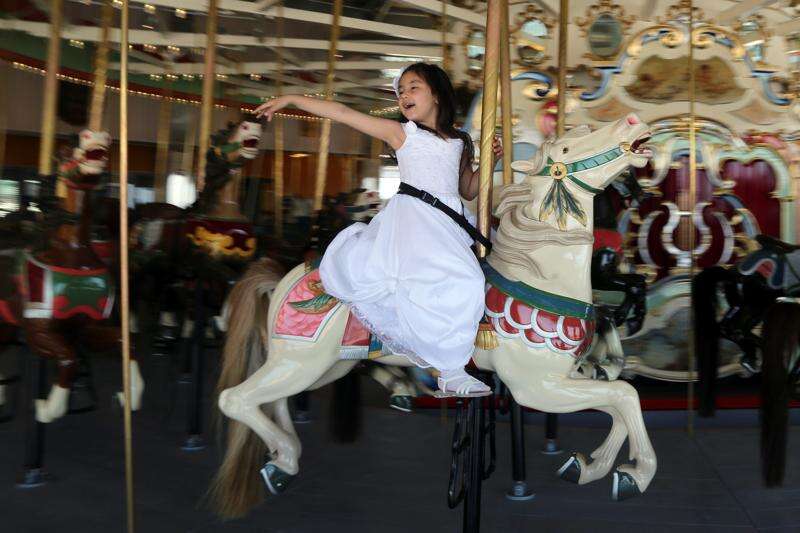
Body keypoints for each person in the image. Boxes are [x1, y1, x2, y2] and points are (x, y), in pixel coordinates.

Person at [256, 63, 502, 397]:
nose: (404, 95)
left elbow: (468, 189)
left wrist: (491, 163)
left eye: (413, 87)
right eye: (400, 91)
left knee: (472, 277)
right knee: (465, 279)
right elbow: (342, 112)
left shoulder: (460, 141)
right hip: (414, 220)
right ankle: (449, 369)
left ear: (437, 94)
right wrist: (292, 99)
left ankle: (452, 361)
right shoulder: (403, 133)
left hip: (447, 221)